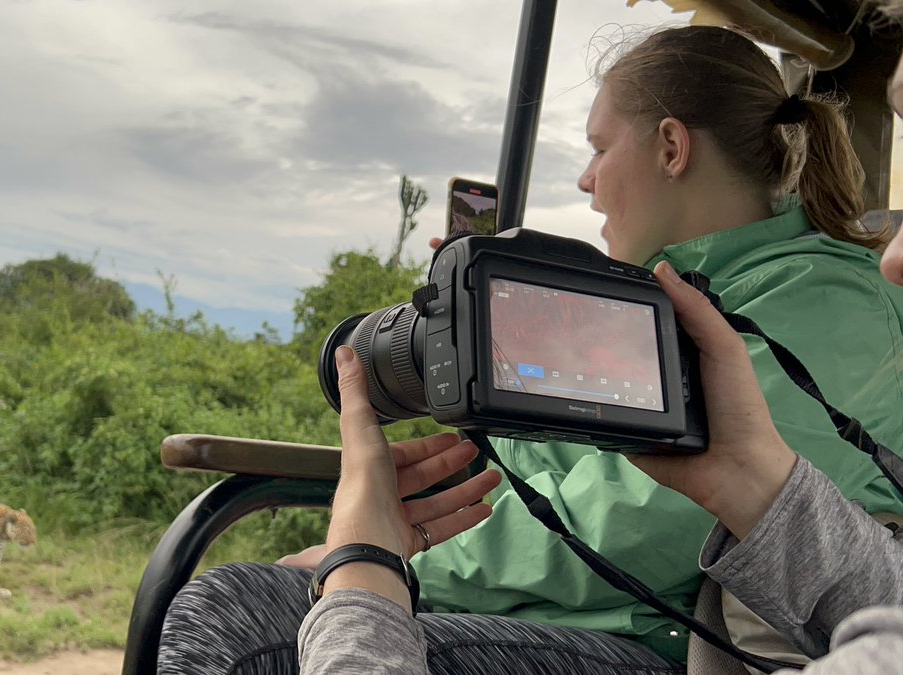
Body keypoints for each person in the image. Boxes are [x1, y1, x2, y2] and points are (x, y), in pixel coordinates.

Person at [158, 24, 903, 674]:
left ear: (672, 146)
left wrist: (382, 563)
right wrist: (463, 468)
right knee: (247, 601)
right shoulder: (682, 295)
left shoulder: (825, 306)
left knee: (236, 620)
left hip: (670, 640)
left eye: (600, 148)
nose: (585, 180)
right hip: (590, 616)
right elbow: (586, 466)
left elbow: (645, 524)